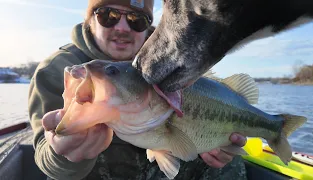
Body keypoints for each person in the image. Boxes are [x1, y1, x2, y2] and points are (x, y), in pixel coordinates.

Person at [28, 0, 248, 179]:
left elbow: (191, 131)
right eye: (109, 16)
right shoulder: (57, 70)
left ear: (148, 29)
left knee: (231, 164)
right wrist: (62, 153)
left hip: (164, 158)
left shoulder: (176, 62)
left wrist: (214, 150)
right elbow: (46, 161)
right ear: (90, 20)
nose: (122, 28)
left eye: (137, 20)